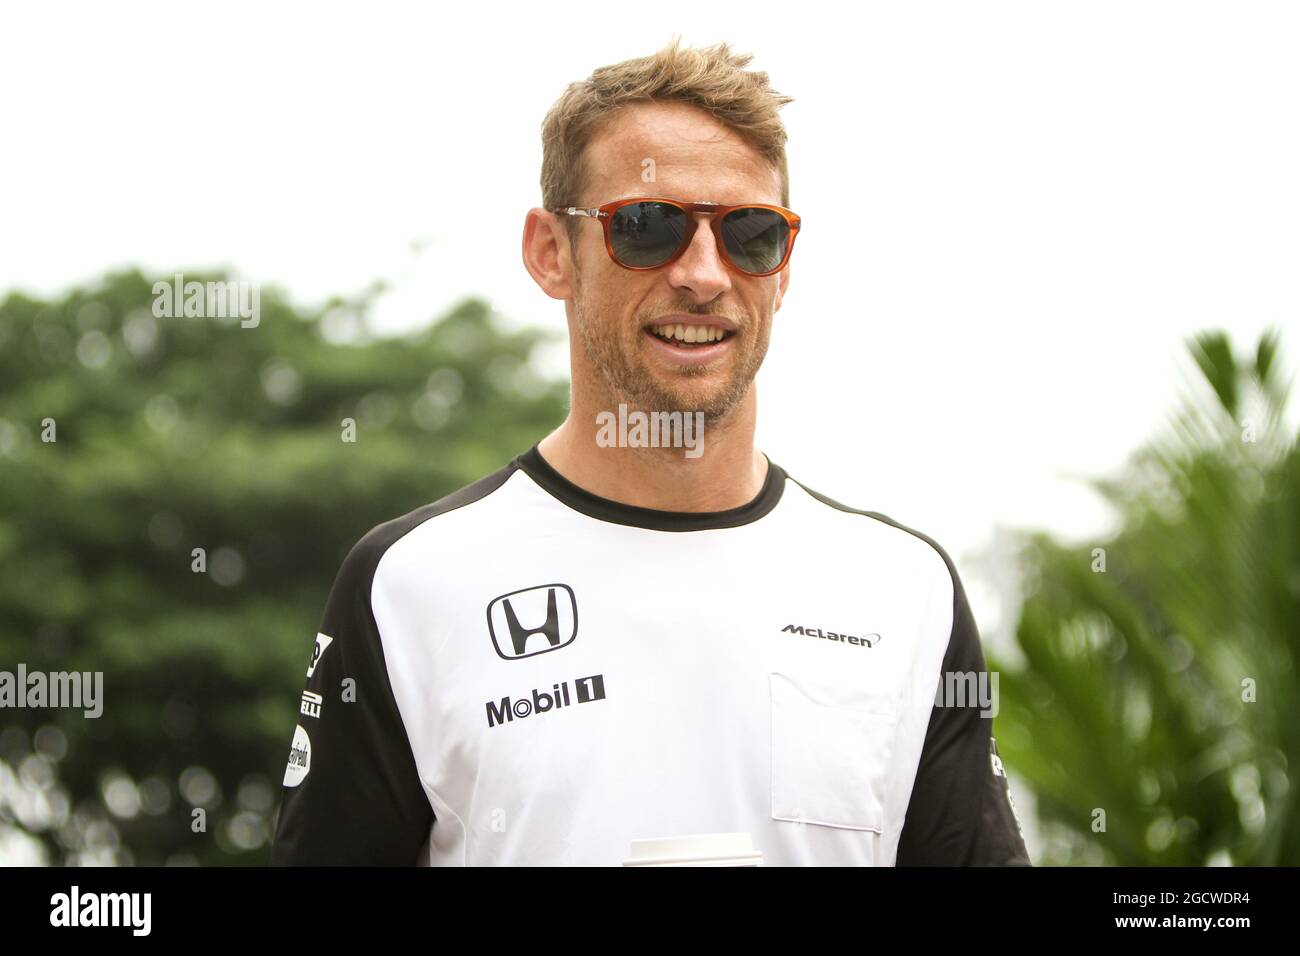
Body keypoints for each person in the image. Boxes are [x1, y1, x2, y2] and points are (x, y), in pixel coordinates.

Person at [270, 37, 1029, 866]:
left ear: (783, 268)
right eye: (647, 226)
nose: (704, 274)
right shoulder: (410, 585)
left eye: (750, 233)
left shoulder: (903, 588)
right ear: (551, 251)